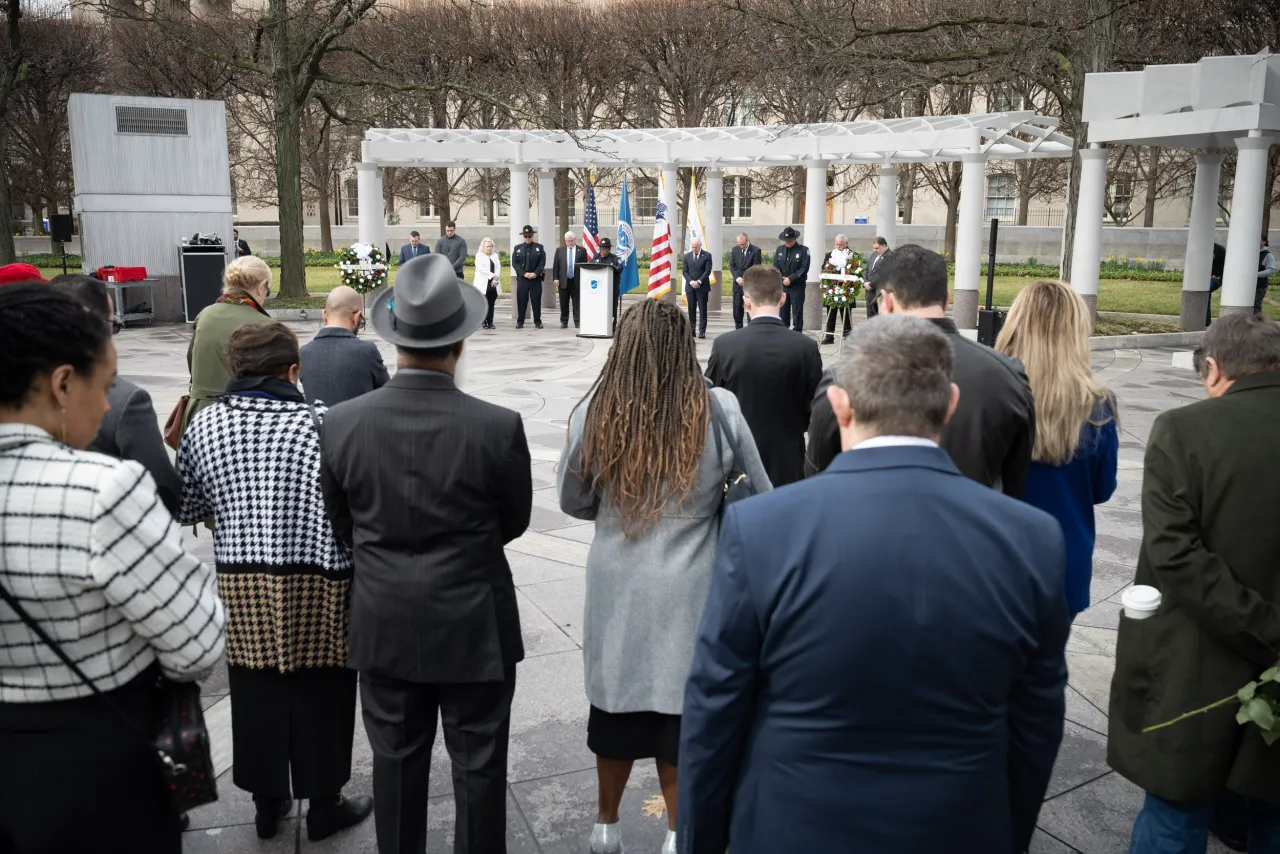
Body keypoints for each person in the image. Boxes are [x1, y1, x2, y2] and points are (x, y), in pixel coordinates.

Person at [679, 315, 1070, 854]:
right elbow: (1036, 726)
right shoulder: (1033, 539)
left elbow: (715, 707)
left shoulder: (764, 529)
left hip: (794, 826)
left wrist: (702, 842)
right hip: (959, 826)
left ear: (840, 405)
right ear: (949, 404)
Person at [0, 283, 225, 854]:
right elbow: (198, 644)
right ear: (62, 383)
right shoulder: (103, 490)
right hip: (96, 765)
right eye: (103, 385)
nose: (106, 405)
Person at [320, 254, 532, 854]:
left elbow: (343, 526)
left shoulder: (341, 424)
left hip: (384, 619)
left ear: (393, 342)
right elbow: (511, 522)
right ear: (459, 343)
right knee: (480, 769)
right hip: (474, 624)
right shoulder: (497, 425)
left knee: (396, 767)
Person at [558, 298, 771, 854]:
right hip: (693, 587)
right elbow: (764, 499)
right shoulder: (719, 408)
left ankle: (605, 827)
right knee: (679, 719)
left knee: (614, 708)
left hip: (617, 581)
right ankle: (679, 834)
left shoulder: (595, 410)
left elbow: (571, 500)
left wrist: (616, 509)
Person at [178, 321, 373, 842]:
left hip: (243, 580)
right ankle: (325, 802)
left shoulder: (204, 425)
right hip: (322, 576)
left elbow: (189, 505)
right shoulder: (327, 423)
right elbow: (356, 504)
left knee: (254, 687)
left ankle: (268, 804)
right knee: (325, 689)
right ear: (293, 370)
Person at [1109, 312, 1280, 853]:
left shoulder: (1185, 430)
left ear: (1212, 369)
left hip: (1196, 663)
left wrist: (1267, 628)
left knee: (1175, 815)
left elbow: (1175, 555)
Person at [805, 245, 1035, 496]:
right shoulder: (1008, 375)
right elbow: (1015, 481)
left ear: (887, 302)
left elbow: (817, 474)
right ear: (947, 300)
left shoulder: (844, 377)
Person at [996, 280, 1119, 616]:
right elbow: (1102, 489)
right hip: (1063, 561)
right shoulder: (1099, 404)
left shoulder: (990, 392)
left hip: (994, 561)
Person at [51, 275, 182, 515]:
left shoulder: (17, 387)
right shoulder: (126, 400)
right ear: (100, 327)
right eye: (113, 324)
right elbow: (162, 489)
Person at [706, 266, 822, 487]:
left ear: (746, 301)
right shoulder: (806, 348)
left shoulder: (725, 346)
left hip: (738, 468)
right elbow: (815, 412)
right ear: (783, 299)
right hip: (790, 464)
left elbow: (709, 405)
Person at [182, 255, 272, 436]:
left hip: (198, 416)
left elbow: (192, 362)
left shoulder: (205, 315)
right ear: (261, 287)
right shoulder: (265, 324)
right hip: (241, 419)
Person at [299, 286, 389, 407]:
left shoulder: (303, 353)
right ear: (356, 317)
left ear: (324, 315)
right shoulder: (367, 351)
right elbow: (387, 393)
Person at [773, 226, 810, 332]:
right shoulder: (780, 249)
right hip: (783, 286)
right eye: (785, 240)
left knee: (797, 311)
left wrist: (791, 278)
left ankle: (797, 333)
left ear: (794, 239)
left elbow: (804, 268)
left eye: (789, 240)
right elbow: (775, 266)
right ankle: (784, 332)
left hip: (797, 286)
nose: (787, 242)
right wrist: (781, 279)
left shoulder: (803, 250)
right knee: (783, 311)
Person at [820, 233, 855, 343]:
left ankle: (848, 335)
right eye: (837, 244)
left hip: (846, 288)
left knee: (846, 313)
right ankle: (829, 336)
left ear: (846, 243)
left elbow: (856, 272)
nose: (838, 246)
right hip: (832, 288)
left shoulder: (852, 255)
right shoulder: (830, 255)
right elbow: (824, 269)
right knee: (831, 312)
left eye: (841, 244)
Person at [512, 224, 546, 329]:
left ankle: (537, 321)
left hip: (535, 279)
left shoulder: (539, 248)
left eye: (530, 236)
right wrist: (523, 273)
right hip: (523, 278)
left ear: (532, 236)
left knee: (536, 301)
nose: (528, 238)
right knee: (521, 300)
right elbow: (515, 263)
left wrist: (535, 273)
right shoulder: (517, 248)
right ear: (523, 237)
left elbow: (542, 262)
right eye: (526, 236)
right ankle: (520, 321)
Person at [553, 230, 589, 329]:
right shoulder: (559, 250)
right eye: (568, 241)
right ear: (565, 241)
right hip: (563, 281)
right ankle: (564, 321)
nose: (570, 243)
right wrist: (555, 278)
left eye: (571, 241)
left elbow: (584, 266)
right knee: (563, 303)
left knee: (576, 303)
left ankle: (577, 321)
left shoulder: (582, 251)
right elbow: (556, 266)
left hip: (576, 280)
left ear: (575, 239)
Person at [728, 232, 762, 329]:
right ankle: (738, 329)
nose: (741, 246)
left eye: (743, 244)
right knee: (737, 309)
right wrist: (737, 278)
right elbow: (732, 266)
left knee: (750, 307)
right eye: (739, 244)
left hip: (750, 285)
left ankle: (751, 328)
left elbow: (756, 268)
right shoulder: (735, 250)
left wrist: (745, 279)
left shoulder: (756, 250)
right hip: (738, 284)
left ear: (747, 241)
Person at [682, 237, 713, 339]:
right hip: (690, 288)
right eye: (692, 247)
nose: (694, 249)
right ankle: (692, 330)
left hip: (702, 287)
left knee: (702, 309)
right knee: (691, 309)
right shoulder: (687, 256)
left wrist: (699, 281)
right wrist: (691, 282)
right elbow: (685, 271)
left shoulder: (707, 256)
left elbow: (707, 271)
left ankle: (702, 331)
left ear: (700, 246)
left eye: (696, 247)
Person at [591, 236, 624, 323]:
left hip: (612, 290)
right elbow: (590, 268)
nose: (602, 251)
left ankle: (612, 327)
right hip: (598, 289)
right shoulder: (596, 258)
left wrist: (613, 268)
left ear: (609, 249)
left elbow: (620, 268)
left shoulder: (615, 259)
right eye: (601, 249)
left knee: (612, 309)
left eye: (604, 249)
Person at [474, 235, 502, 329]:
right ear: (483, 247)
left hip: (493, 283)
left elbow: (498, 267)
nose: (489, 248)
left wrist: (495, 278)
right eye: (487, 246)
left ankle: (490, 322)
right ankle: (484, 322)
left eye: (490, 246)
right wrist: (492, 275)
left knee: (491, 303)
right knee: (484, 303)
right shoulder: (479, 256)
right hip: (483, 283)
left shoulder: (495, 256)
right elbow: (480, 268)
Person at [865, 236, 893, 319]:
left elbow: (885, 275)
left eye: (877, 248)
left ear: (884, 246)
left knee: (881, 319)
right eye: (874, 248)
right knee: (870, 319)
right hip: (870, 293)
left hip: (881, 293)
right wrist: (865, 282)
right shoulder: (874, 255)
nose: (875, 250)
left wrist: (871, 284)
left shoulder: (891, 257)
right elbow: (866, 270)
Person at [1254, 234, 1276, 316]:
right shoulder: (1249, 252)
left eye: (1259, 240)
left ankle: (1258, 326)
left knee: (1256, 308)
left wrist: (1255, 275)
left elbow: (1271, 270)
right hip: (1247, 285)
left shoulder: (1268, 255)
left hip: (1260, 286)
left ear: (1264, 241)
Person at [1207, 242, 1225, 327]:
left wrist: (1216, 274)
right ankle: (1207, 321)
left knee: (1205, 291)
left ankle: (1207, 321)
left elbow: (1225, 263)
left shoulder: (1219, 249)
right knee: (1205, 297)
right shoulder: (1198, 247)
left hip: (1215, 279)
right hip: (1203, 279)